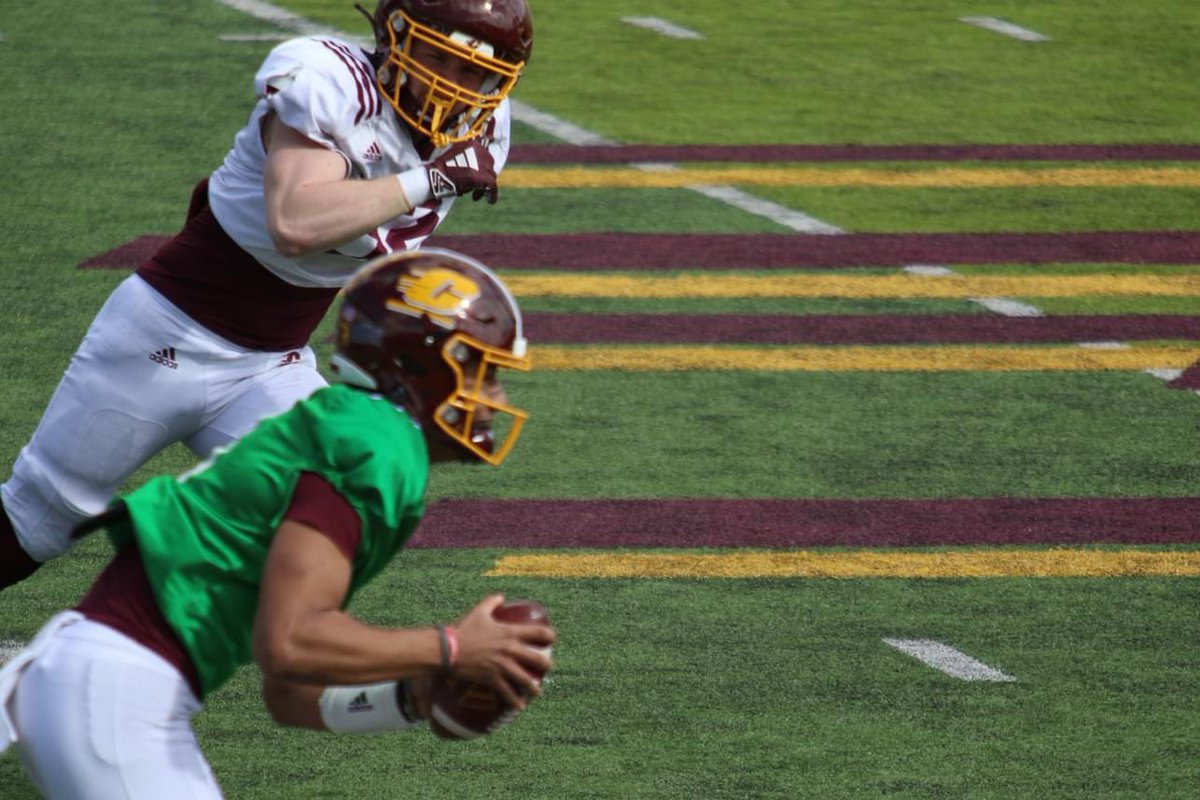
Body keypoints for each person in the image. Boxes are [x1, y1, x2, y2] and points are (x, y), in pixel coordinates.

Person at [0, 0, 535, 588]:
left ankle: (162, 639)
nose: (452, 85)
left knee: (335, 513)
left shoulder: (487, 126)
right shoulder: (331, 81)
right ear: (395, 37)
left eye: (472, 72)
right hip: (167, 336)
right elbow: (295, 224)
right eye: (437, 58)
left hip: (274, 360)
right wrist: (427, 179)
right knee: (38, 523)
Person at [0, 248, 556, 798]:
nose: (494, 401)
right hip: (118, 687)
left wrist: (412, 696)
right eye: (485, 376)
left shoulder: (359, 430)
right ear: (422, 366)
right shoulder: (377, 447)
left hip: (93, 678)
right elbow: (289, 643)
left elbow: (287, 695)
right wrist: (453, 648)